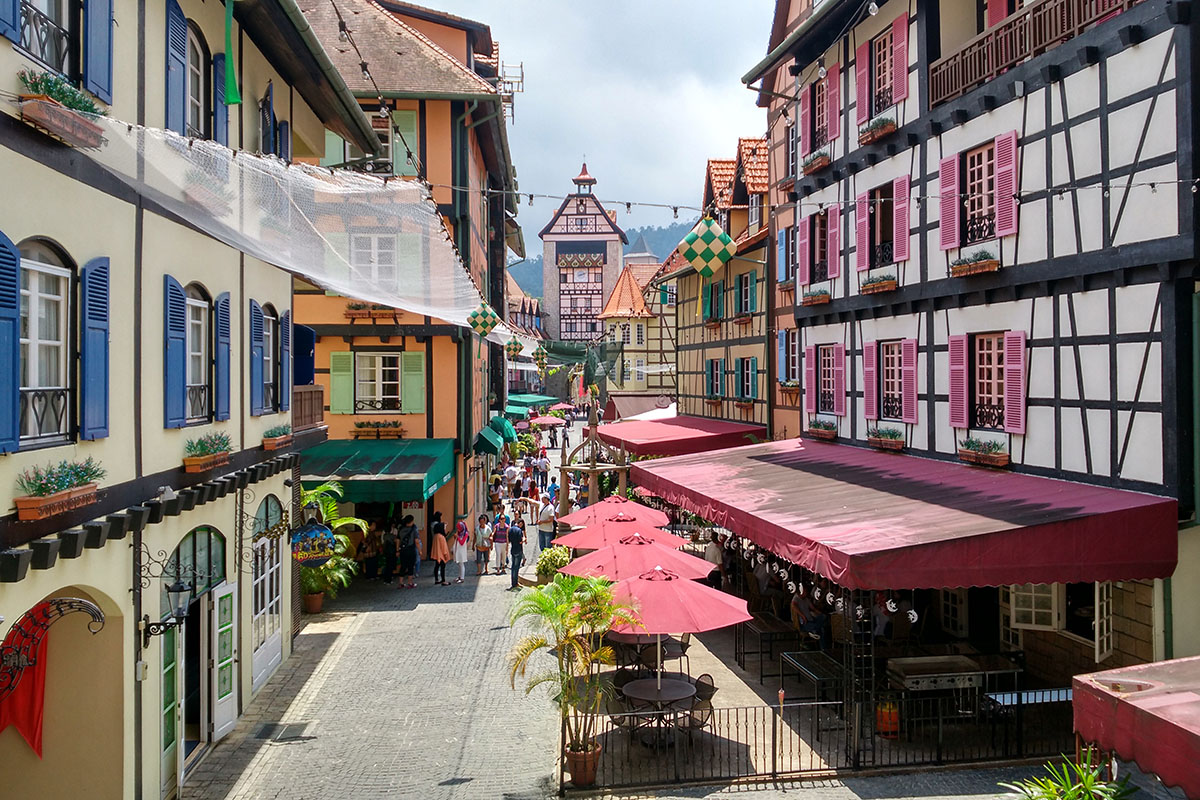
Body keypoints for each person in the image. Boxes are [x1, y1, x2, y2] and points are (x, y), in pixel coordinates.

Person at [396, 516, 418, 589]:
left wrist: (397, 550)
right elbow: (416, 541)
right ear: (411, 521)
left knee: (403, 566)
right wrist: (420, 550)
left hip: (403, 550)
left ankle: (400, 583)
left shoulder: (401, 529)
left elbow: (398, 540)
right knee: (410, 566)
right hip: (411, 549)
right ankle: (410, 583)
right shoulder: (414, 529)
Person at [429, 511, 451, 585]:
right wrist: (445, 554)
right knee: (442, 567)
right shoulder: (441, 537)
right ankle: (443, 580)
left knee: (436, 566)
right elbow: (444, 547)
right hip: (441, 554)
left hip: (437, 553)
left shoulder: (435, 536)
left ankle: (436, 579)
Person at [508, 515, 526, 591]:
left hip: (513, 549)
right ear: (519, 523)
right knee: (516, 567)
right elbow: (520, 541)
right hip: (518, 550)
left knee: (513, 567)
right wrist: (524, 540)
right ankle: (515, 583)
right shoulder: (519, 531)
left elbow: (509, 540)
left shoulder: (510, 530)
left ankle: (513, 582)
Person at [492, 511, 510, 575]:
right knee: (498, 555)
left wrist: (507, 545)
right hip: (498, 543)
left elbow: (507, 536)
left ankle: (503, 567)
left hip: (504, 543)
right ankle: (498, 569)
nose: (503, 520)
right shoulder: (496, 526)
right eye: (501, 519)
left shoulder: (507, 527)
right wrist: (491, 536)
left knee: (504, 556)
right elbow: (494, 533)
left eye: (504, 519)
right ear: (499, 520)